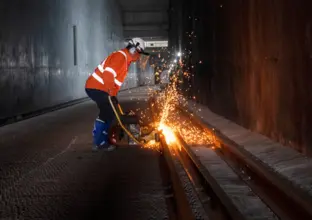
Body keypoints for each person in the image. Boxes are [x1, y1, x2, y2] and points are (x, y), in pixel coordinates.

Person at [85, 38, 146, 151]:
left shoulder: (125, 60)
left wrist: (113, 95)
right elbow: (108, 75)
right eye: (138, 53)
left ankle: (103, 139)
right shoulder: (120, 57)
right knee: (106, 111)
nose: (138, 57)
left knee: (111, 113)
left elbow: (116, 82)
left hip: (103, 89)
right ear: (133, 49)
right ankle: (99, 143)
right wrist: (110, 92)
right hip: (96, 87)